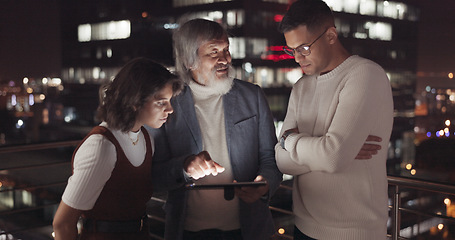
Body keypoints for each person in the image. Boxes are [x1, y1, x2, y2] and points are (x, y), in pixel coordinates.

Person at [149, 18, 283, 240]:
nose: (225, 59)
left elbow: (271, 157)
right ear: (189, 61)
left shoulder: (253, 96)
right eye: (214, 52)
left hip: (249, 230)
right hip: (187, 231)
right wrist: (185, 167)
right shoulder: (167, 104)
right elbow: (155, 175)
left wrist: (265, 184)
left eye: (226, 49)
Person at [275, 0, 394, 239]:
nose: (297, 58)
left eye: (304, 48)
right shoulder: (301, 87)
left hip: (354, 232)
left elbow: (333, 157)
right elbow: (281, 162)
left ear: (330, 35)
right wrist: (325, 148)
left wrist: (290, 141)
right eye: (292, 50)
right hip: (303, 225)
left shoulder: (365, 74)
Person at [52, 57, 182, 240]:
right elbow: (63, 223)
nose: (170, 109)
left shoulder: (146, 138)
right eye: (161, 102)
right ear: (135, 101)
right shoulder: (101, 147)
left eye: (169, 101)